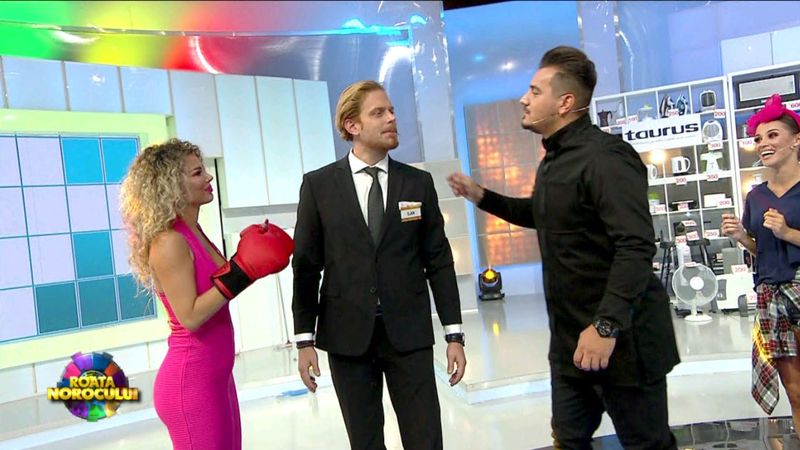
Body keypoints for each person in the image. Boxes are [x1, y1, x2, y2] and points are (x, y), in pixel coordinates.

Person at [447, 46, 679, 449]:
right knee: (568, 440)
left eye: (535, 91)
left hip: (623, 341)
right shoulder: (554, 160)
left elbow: (636, 245)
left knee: (647, 444)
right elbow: (543, 214)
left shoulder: (606, 158)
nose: (524, 99)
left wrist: (606, 325)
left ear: (565, 102)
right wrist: (482, 196)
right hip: (570, 343)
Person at [292, 80, 466, 450]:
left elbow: (438, 261)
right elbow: (306, 267)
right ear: (352, 125)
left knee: (426, 440)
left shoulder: (417, 184)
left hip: (409, 335)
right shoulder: (319, 186)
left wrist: (454, 334)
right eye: (379, 113)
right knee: (365, 442)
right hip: (347, 336)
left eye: (392, 111)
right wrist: (304, 339)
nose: (391, 118)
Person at [119, 138, 294, 449]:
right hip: (191, 380)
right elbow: (190, 316)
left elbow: (218, 294)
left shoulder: (193, 231)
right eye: (198, 173)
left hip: (216, 376)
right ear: (172, 184)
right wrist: (242, 270)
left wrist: (252, 267)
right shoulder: (169, 241)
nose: (209, 177)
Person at [721, 94, 800, 432]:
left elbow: (783, 238)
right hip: (770, 298)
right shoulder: (755, 196)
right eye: (757, 138)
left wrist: (788, 232)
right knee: (795, 393)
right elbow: (762, 251)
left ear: (796, 140)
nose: (763, 143)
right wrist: (742, 237)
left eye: (773, 135)